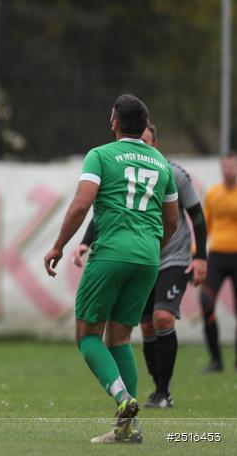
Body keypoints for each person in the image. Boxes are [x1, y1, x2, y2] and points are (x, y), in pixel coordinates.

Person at [43, 95, 179, 445]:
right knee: (120, 337)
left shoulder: (101, 155)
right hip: (148, 258)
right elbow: (173, 221)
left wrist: (58, 245)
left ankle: (122, 398)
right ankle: (127, 430)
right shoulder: (162, 163)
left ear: (114, 122)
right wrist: (150, 248)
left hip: (110, 255)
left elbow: (82, 203)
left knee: (87, 335)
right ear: (145, 123)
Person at [72, 124, 207, 408]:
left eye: (145, 141)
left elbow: (193, 217)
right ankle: (143, 402)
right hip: (147, 259)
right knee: (139, 330)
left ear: (155, 142)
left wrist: (200, 256)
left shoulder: (172, 172)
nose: (139, 146)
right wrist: (85, 242)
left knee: (160, 319)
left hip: (171, 257)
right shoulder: (124, 168)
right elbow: (108, 211)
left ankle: (160, 390)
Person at [200, 151, 237, 373]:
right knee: (206, 303)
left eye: (232, 166)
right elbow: (206, 227)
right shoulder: (213, 194)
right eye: (225, 166)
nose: (229, 170)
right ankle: (216, 360)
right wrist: (197, 255)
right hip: (216, 257)